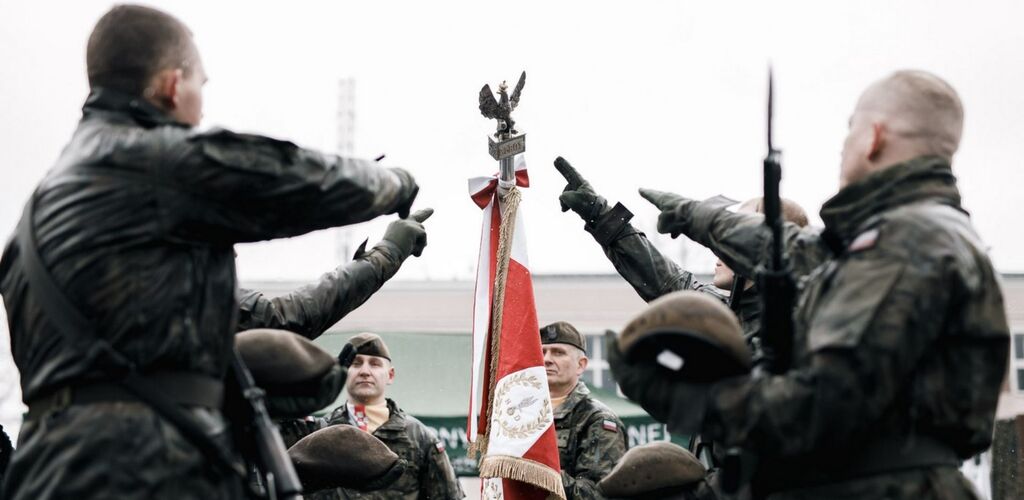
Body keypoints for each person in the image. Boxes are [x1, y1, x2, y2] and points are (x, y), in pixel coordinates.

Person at [0, 5, 419, 499]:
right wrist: (396, 187)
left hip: (43, 471)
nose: (200, 107)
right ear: (173, 85)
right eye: (201, 85)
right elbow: (297, 181)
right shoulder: (155, 162)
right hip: (150, 469)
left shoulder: (33, 220)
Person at [609, 70, 1009, 499]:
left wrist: (695, 400)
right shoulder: (915, 233)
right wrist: (705, 217)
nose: (843, 145)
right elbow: (805, 253)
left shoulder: (906, 241)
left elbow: (823, 408)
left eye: (850, 128)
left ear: (873, 136)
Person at [553, 158, 810, 344]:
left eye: (733, 236)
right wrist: (599, 214)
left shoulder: (797, 325)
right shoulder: (721, 311)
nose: (719, 252)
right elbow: (664, 279)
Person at [303, 333, 464, 500]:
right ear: (344, 372)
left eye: (375, 364)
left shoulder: (418, 437)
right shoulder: (319, 433)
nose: (365, 371)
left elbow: (449, 497)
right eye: (356, 363)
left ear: (391, 375)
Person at [540, 321, 627, 499]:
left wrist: (539, 471)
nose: (547, 359)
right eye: (542, 352)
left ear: (581, 365)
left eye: (558, 352)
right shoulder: (524, 415)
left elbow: (598, 494)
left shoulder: (597, 420)